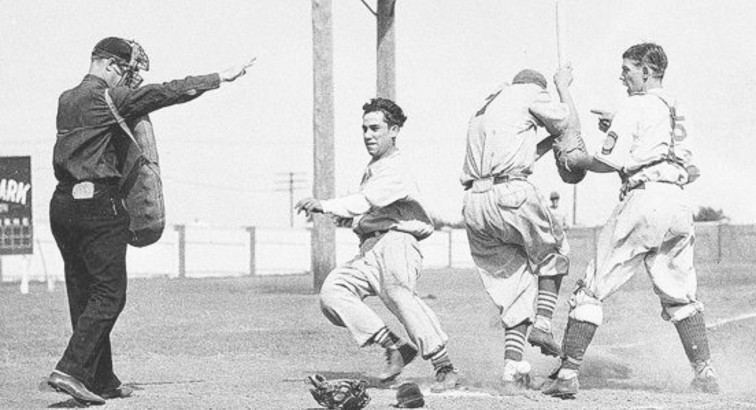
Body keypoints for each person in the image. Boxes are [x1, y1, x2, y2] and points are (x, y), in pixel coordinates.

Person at [47, 37, 255, 405]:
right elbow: (168, 92)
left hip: (63, 205)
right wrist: (220, 77)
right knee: (110, 294)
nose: (129, 81)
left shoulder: (66, 99)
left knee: (85, 294)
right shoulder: (109, 99)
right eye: (126, 73)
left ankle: (101, 379)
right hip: (98, 205)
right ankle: (71, 370)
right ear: (111, 66)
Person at [542, 43, 719, 398]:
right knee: (680, 294)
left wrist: (577, 159)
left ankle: (566, 375)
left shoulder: (634, 105)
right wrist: (622, 130)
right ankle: (705, 374)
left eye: (628, 70)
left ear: (647, 71)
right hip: (679, 203)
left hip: (644, 199)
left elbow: (607, 162)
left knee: (592, 288)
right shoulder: (678, 108)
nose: (622, 77)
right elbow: (689, 167)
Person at [295, 98, 460, 392]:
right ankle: (395, 347)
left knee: (400, 298)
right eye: (364, 129)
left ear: (394, 130)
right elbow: (361, 207)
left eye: (375, 128)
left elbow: (362, 202)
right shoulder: (376, 166)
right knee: (333, 292)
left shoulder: (397, 167)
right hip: (370, 248)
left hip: (397, 242)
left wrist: (323, 205)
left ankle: (444, 366)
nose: (368, 135)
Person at [460, 68, 576, 394]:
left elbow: (513, 153)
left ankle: (513, 368)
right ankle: (542, 324)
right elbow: (564, 120)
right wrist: (562, 87)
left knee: (514, 287)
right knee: (555, 252)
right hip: (510, 193)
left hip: (475, 202)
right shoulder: (530, 92)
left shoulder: (488, 104)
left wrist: (546, 142)